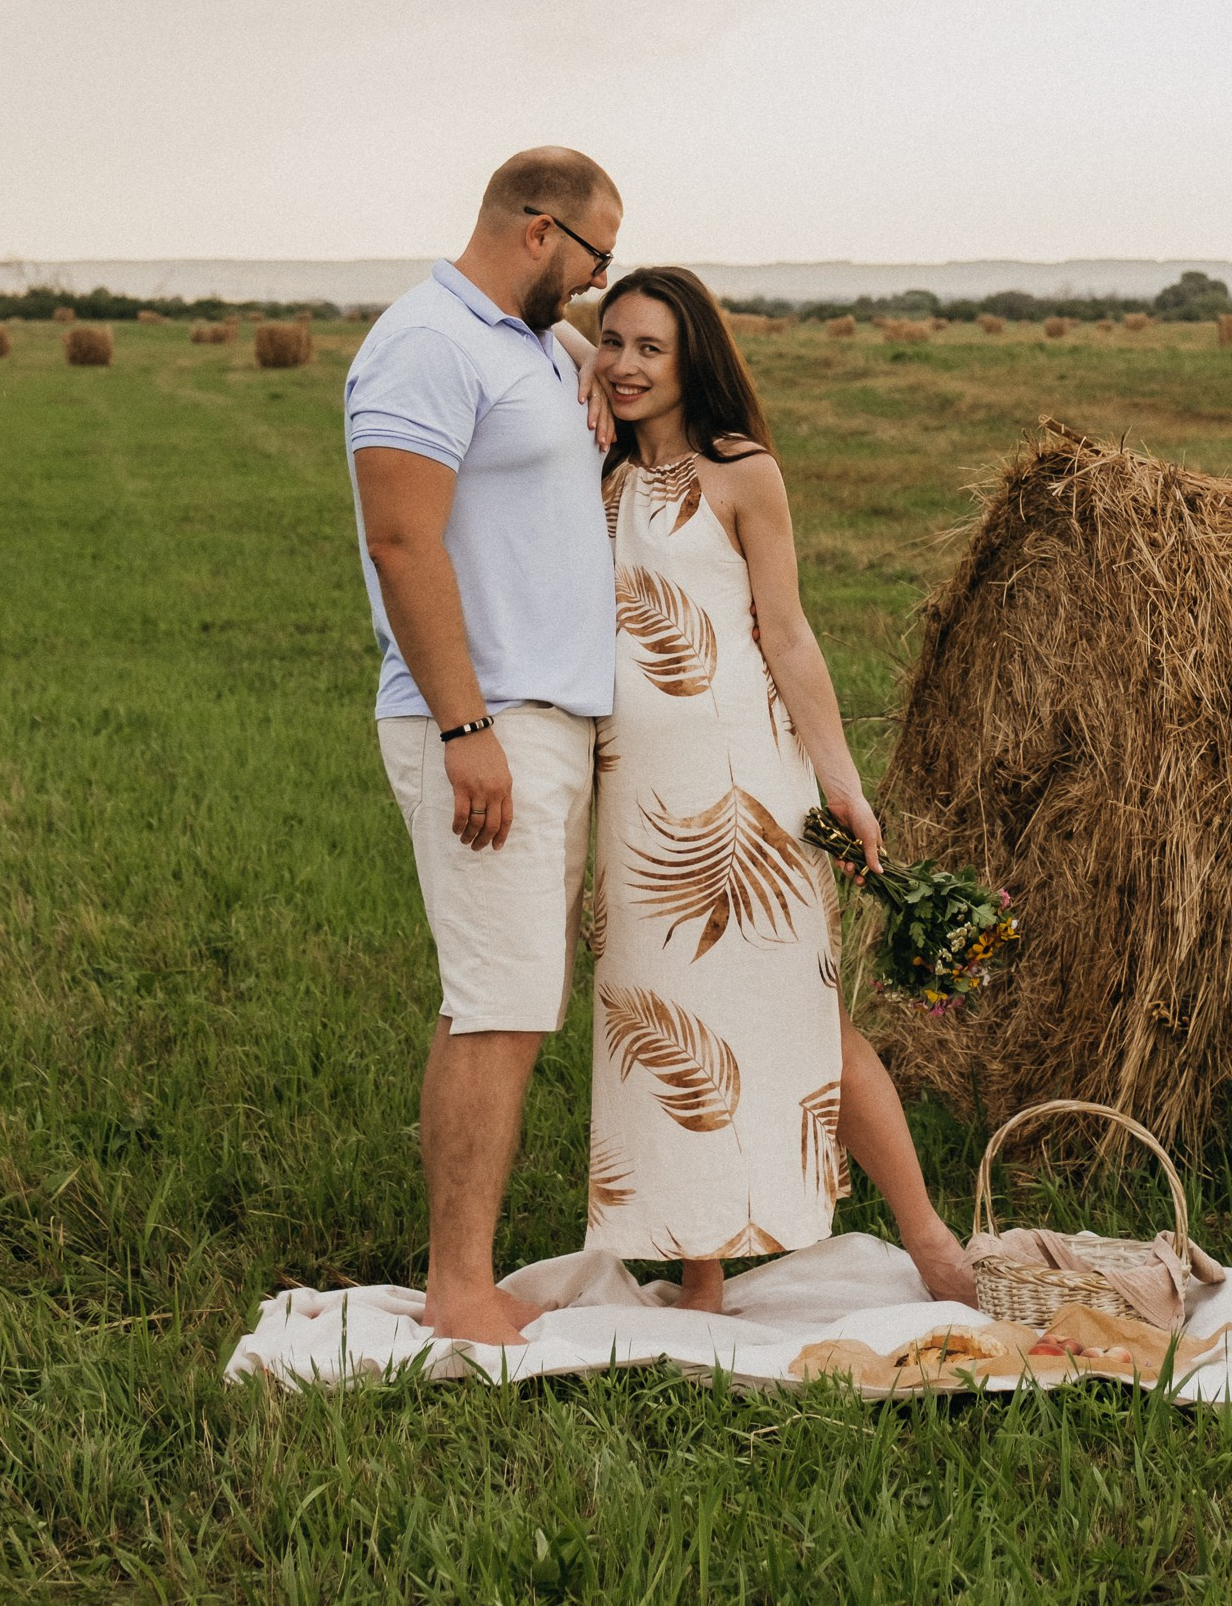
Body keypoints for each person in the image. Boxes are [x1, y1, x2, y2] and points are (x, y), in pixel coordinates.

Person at [576, 266, 976, 1311]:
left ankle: (928, 1238)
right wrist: (580, 356)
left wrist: (841, 781)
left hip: (746, 788)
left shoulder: (742, 471)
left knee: (803, 1021)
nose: (621, 364)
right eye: (608, 341)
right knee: (655, 1017)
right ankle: (698, 1267)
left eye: (647, 347)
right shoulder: (599, 469)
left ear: (692, 356)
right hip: (633, 797)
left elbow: (786, 635)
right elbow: (556, 354)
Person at [345, 146, 624, 1345]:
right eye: (595, 258)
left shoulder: (524, 343)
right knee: (495, 1003)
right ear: (538, 229)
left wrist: (592, 369)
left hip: (544, 715)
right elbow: (402, 542)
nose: (598, 286)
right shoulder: (424, 342)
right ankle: (459, 1284)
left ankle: (472, 1271)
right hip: (482, 716)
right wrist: (466, 727)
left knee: (517, 996)